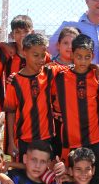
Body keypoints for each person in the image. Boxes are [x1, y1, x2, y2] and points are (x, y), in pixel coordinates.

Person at [52, 34, 99, 178]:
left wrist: (97, 66)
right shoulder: (59, 76)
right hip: (71, 139)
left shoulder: (97, 76)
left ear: (93, 55)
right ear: (72, 55)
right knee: (71, 180)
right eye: (79, 56)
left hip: (95, 138)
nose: (83, 61)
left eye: (87, 57)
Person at [5, 33, 59, 161]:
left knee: (45, 174)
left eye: (43, 55)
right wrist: (11, 141)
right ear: (24, 53)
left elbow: (75, 67)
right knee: (24, 174)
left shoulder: (50, 72)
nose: (40, 59)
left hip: (46, 136)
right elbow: (10, 112)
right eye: (36, 55)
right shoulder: (14, 81)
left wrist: (96, 66)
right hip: (24, 138)